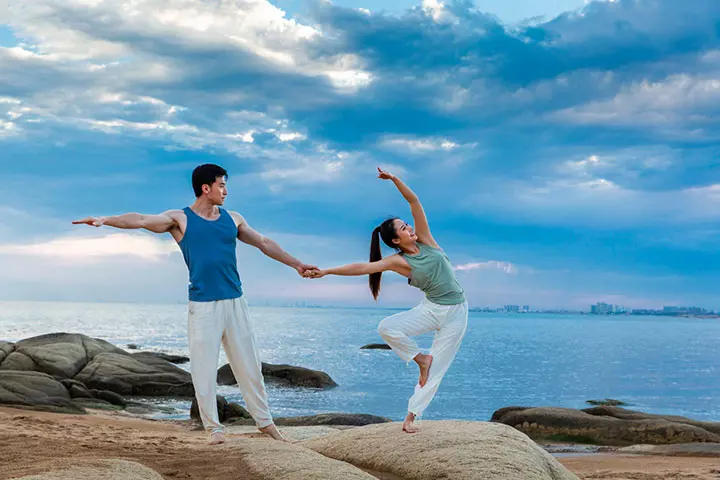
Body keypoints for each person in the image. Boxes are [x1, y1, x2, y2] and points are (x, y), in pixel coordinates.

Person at [73, 163, 317, 444]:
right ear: (206, 188)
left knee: (249, 367)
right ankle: (214, 428)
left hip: (236, 302)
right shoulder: (179, 219)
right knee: (203, 368)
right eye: (222, 185)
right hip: (203, 306)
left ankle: (266, 424)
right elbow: (139, 219)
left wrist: (297, 264)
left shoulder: (233, 218)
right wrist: (105, 219)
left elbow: (263, 243)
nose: (226, 191)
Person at [306, 168, 468, 433]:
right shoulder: (399, 261)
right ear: (396, 240)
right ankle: (420, 360)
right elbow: (362, 267)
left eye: (408, 224)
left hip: (457, 312)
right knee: (387, 327)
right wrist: (327, 271)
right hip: (432, 309)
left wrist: (394, 179)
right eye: (404, 228)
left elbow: (414, 202)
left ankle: (412, 416)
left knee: (438, 369)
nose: (410, 228)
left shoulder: (426, 240)